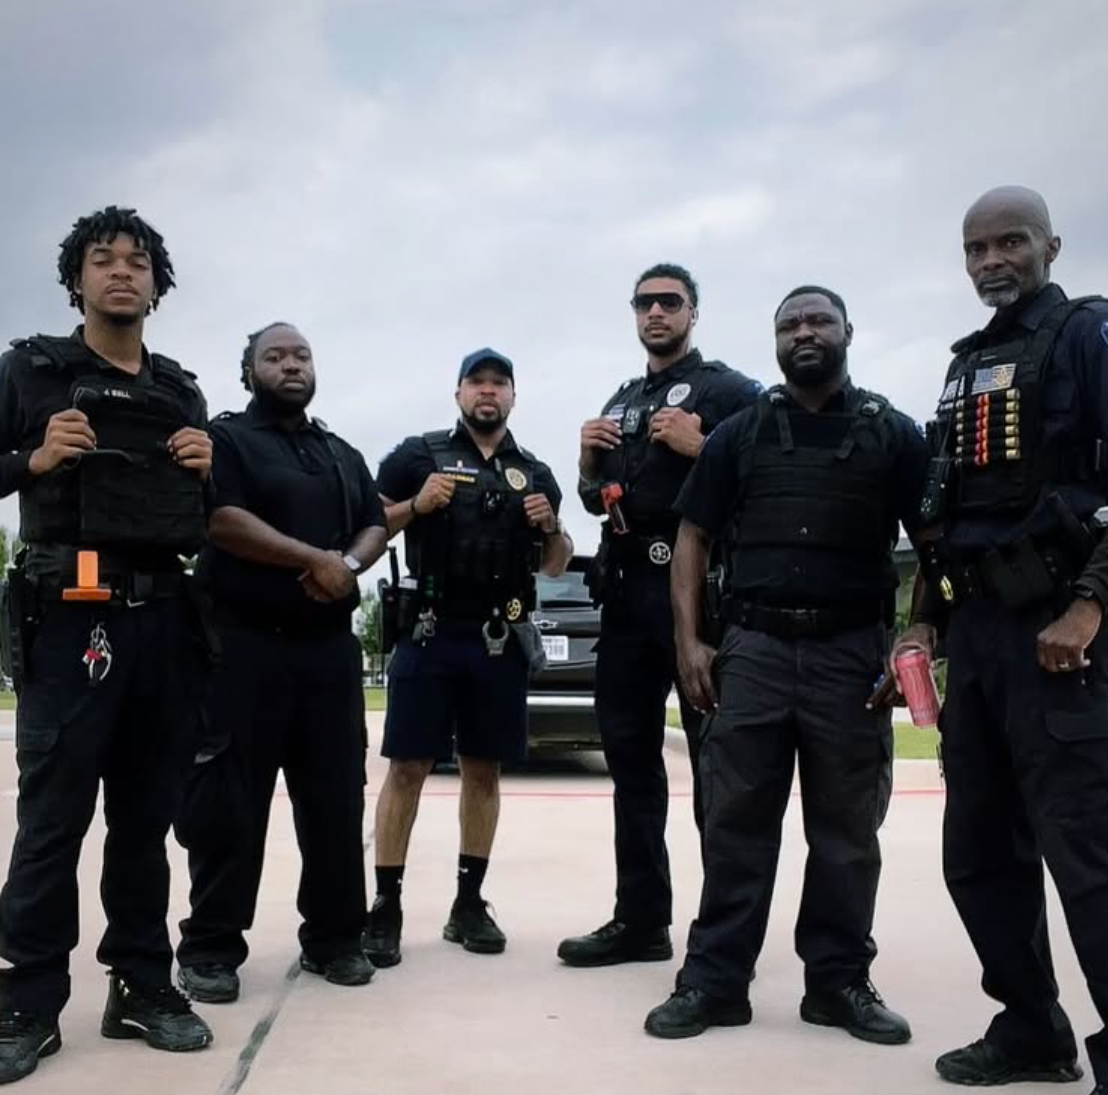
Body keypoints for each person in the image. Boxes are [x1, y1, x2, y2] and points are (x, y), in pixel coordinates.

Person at [643, 285, 925, 1045]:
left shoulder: (892, 434)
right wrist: (690, 641)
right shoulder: (740, 431)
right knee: (735, 824)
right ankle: (714, 981)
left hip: (850, 656)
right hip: (754, 651)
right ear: (775, 339)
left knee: (846, 831)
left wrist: (917, 636)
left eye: (818, 321)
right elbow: (693, 534)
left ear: (847, 332)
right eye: (790, 323)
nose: (804, 332)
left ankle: (836, 982)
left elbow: (936, 542)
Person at [892, 186, 1108, 1095]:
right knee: (979, 850)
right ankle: (1031, 1027)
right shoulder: (965, 364)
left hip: (1063, 640)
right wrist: (921, 620)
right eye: (976, 249)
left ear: (1050, 244)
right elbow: (949, 517)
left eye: (1009, 242)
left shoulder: (1087, 336)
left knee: (1088, 854)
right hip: (976, 640)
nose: (991, 261)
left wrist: (1090, 606)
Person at [0, 206, 214, 1085]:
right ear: (76, 279)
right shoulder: (31, 370)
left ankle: (141, 983)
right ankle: (25, 1001)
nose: (121, 272)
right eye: (103, 260)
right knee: (52, 818)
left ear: (157, 286)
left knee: (144, 819)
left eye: (138, 262)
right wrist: (33, 458)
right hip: (68, 621)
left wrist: (209, 465)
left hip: (162, 620)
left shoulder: (180, 389)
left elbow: (198, 521)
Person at [175, 323, 388, 1003]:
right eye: (276, 356)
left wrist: (349, 564)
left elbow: (377, 521)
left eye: (301, 355)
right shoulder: (229, 440)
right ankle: (210, 947)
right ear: (250, 370)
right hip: (242, 649)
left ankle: (334, 938)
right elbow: (222, 521)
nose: (291, 365)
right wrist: (314, 560)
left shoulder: (338, 450)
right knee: (230, 806)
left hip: (326, 653)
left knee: (334, 798)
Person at [557, 263, 761, 969]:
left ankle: (723, 935)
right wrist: (587, 464)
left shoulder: (730, 391)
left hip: (701, 597)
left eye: (669, 301)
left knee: (716, 770)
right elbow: (597, 499)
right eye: (644, 302)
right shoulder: (622, 398)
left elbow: (767, 479)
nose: (655, 312)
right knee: (631, 765)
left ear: (693, 313)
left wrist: (702, 446)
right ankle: (641, 919)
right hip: (625, 598)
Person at [363, 348, 571, 966]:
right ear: (458, 394)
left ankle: (469, 903)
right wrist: (415, 506)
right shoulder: (417, 455)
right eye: (476, 382)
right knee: (407, 768)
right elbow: (369, 526)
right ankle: (386, 905)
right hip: (429, 632)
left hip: (497, 639)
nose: (488, 392)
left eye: (499, 383)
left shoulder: (532, 472)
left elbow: (555, 564)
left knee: (484, 770)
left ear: (513, 396)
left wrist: (551, 526)